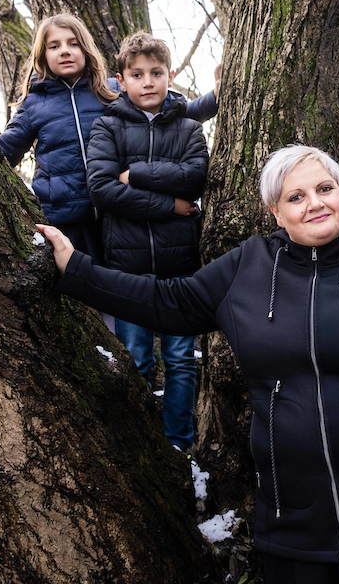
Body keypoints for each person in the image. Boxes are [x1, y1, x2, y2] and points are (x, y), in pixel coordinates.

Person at [38, 145, 339, 583]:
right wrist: (76, 270)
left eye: (325, 189)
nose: (315, 203)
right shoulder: (247, 267)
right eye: (296, 196)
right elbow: (169, 303)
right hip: (297, 529)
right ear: (276, 212)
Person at [0, 14, 220, 263]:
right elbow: (4, 151)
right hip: (66, 218)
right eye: (54, 46)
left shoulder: (111, 90)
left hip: (115, 213)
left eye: (73, 43)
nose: (65, 51)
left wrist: (214, 99)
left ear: (86, 48)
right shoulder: (34, 104)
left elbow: (168, 114)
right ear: (42, 55)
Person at [86, 32, 208, 450]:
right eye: (137, 74)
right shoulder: (107, 126)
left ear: (170, 75)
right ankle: (140, 448)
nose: (148, 81)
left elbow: (195, 177)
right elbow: (102, 189)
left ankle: (179, 443)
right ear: (121, 80)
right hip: (127, 266)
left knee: (179, 360)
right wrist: (169, 206)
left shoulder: (189, 127)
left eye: (157, 73)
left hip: (180, 268)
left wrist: (135, 174)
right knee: (135, 359)